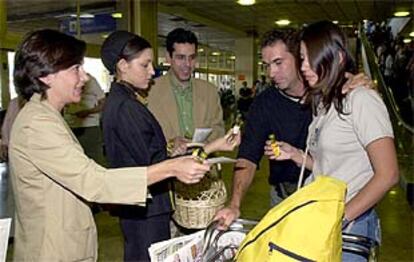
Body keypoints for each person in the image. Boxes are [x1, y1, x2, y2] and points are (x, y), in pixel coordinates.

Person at [9, 29, 210, 261]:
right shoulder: (37, 124)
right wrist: (172, 167)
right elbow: (94, 181)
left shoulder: (47, 117)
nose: (84, 78)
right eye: (76, 69)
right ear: (46, 76)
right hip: (53, 251)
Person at [100, 30, 239, 261]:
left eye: (192, 57)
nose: (151, 71)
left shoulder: (123, 101)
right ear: (123, 66)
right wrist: (183, 151)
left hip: (153, 203)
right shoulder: (128, 106)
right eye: (145, 65)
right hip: (147, 205)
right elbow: (150, 162)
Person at [266, 21, 399, 261]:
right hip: (324, 216)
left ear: (337, 56)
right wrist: (296, 155)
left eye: (309, 58)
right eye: (302, 58)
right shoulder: (324, 104)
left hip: (350, 225)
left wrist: (342, 217)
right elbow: (330, 167)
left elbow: (388, 174)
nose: (304, 67)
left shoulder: (361, 100)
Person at [214, 29, 373, 229]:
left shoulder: (329, 94)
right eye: (267, 65)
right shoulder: (265, 103)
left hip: (333, 201)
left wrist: (361, 86)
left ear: (300, 58)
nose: (271, 73)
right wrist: (234, 204)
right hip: (284, 199)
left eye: (279, 63)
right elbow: (247, 156)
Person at [148, 28, 225, 150]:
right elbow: (144, 138)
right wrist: (170, 144)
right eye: (181, 57)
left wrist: (205, 144)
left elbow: (218, 129)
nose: (188, 64)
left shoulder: (209, 91)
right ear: (168, 57)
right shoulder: (149, 93)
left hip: (204, 165)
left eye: (192, 57)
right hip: (167, 166)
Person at [64, 73, 106, 165]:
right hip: (70, 126)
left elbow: (103, 104)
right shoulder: (65, 79)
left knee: (95, 159)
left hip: (90, 126)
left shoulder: (91, 80)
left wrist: (88, 112)